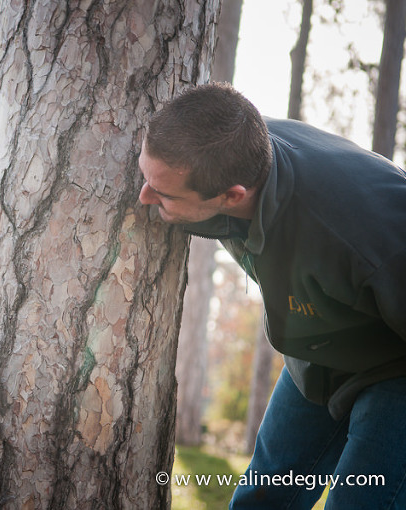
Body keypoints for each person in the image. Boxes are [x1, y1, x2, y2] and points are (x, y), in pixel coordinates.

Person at [138, 82, 406, 508]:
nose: (144, 197)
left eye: (163, 194)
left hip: (396, 364)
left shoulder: (366, 233)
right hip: (317, 351)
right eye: (146, 176)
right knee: (258, 502)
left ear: (232, 197)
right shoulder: (222, 148)